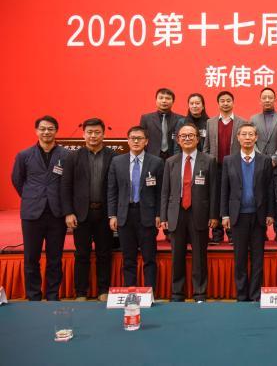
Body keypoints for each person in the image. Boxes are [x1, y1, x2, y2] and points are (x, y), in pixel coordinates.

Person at [11, 115, 69, 301]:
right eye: (42, 129)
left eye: (50, 129)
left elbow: (69, 182)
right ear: (36, 131)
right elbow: (17, 180)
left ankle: (52, 296)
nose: (46, 132)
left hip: (57, 213)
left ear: (56, 131)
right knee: (31, 258)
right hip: (32, 213)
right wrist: (32, 196)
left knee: (55, 258)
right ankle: (33, 296)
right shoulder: (24, 155)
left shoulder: (66, 155)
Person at [160, 123, 218, 302]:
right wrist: (163, 216)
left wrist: (213, 215)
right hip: (176, 214)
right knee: (177, 256)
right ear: (178, 140)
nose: (187, 138)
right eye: (183, 136)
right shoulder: (171, 162)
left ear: (198, 139)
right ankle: (177, 293)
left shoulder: (209, 160)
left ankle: (199, 293)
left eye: (191, 135)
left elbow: (214, 190)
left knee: (199, 256)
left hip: (199, 213)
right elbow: (165, 192)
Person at [61, 118, 116, 301]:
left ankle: (103, 290)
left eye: (97, 132)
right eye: (89, 132)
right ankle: (81, 292)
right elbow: (65, 186)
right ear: (83, 134)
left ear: (104, 134)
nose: (93, 136)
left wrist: (114, 213)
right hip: (80, 214)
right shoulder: (73, 157)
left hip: (104, 213)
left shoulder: (113, 156)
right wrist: (68, 212)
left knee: (104, 254)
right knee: (81, 254)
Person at [221, 123, 274, 302]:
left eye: (251, 134)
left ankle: (255, 295)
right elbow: (224, 189)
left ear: (256, 137)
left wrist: (270, 213)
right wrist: (225, 214)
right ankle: (242, 295)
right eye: (244, 134)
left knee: (258, 259)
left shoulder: (265, 160)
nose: (247, 138)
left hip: (258, 216)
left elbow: (269, 189)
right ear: (238, 138)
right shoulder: (229, 160)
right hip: (238, 216)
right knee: (240, 258)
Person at [107, 126, 164, 290]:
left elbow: (161, 192)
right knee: (128, 258)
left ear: (146, 141)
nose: (136, 141)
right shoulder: (117, 162)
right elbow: (112, 190)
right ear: (128, 140)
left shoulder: (156, 162)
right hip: (125, 215)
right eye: (133, 138)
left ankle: (150, 292)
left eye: (140, 138)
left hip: (148, 215)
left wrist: (159, 214)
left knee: (149, 258)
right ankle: (130, 291)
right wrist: (112, 215)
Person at [204, 90, 246, 245]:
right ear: (218, 103)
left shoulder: (242, 122)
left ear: (233, 103)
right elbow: (206, 147)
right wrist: (206, 164)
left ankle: (233, 233)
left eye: (228, 100)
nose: (225, 103)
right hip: (216, 166)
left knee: (232, 198)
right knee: (215, 198)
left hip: (235, 167)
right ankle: (217, 234)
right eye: (222, 101)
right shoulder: (210, 122)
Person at [250, 87, 277, 244]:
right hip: (259, 165)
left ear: (275, 99)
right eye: (264, 97)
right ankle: (260, 231)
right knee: (260, 197)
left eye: (270, 97)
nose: (267, 100)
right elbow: (251, 140)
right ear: (260, 100)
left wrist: (275, 158)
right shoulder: (253, 119)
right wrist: (262, 159)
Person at [139, 87, 183, 160]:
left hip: (174, 157)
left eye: (168, 98)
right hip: (151, 157)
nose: (164, 101)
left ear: (173, 101)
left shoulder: (180, 119)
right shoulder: (146, 118)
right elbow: (141, 139)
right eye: (161, 98)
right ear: (156, 100)